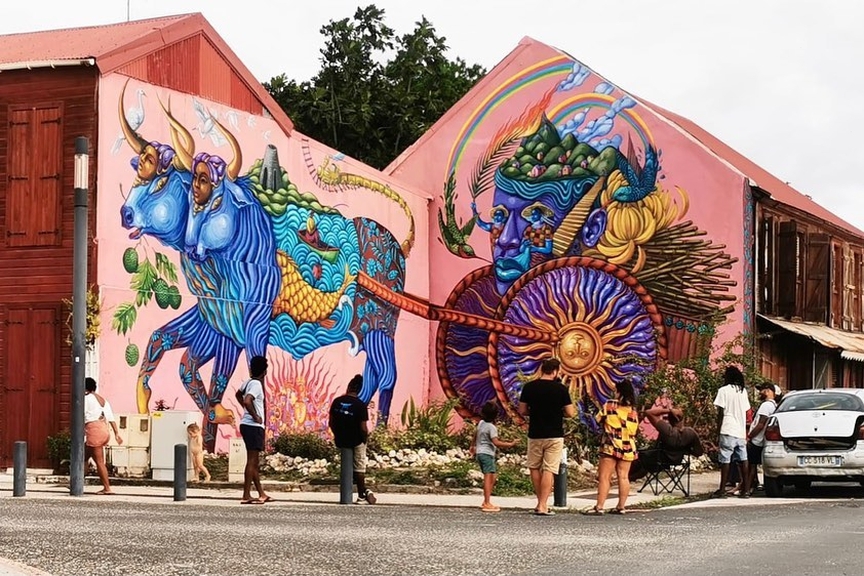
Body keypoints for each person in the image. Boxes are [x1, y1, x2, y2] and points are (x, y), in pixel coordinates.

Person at [518, 358, 575, 516]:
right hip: (554, 434)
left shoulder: (529, 387)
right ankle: (543, 505)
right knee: (549, 469)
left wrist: (535, 412)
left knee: (534, 467)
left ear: (542, 370)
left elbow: (522, 410)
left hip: (535, 433)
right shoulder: (561, 389)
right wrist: (559, 412)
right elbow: (570, 412)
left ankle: (540, 503)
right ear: (556, 371)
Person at [584, 379, 640, 515]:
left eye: (615, 391)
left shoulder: (609, 405)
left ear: (619, 392)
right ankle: (621, 506)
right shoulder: (632, 411)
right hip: (628, 446)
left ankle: (600, 506)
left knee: (604, 477)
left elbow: (597, 420)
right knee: (624, 477)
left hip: (610, 444)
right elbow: (634, 430)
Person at [329, 374, 376, 505]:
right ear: (360, 390)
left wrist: (337, 435)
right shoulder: (360, 405)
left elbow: (331, 422)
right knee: (359, 467)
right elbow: (363, 428)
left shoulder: (337, 402)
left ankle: (363, 492)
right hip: (356, 440)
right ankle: (362, 494)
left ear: (349, 386)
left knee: (347, 467)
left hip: (341, 439)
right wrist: (365, 440)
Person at [629, 405, 704, 482]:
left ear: (669, 420)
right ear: (683, 419)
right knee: (645, 461)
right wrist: (686, 449)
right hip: (676, 461)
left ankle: (626, 478)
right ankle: (628, 478)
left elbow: (648, 412)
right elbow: (699, 452)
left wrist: (669, 410)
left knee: (640, 457)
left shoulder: (667, 429)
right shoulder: (691, 433)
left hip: (659, 460)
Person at [469, 401, 519, 512]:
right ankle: (487, 502)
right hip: (487, 454)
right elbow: (496, 442)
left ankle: (487, 500)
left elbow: (475, 434)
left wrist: (472, 445)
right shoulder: (491, 428)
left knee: (493, 475)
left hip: (480, 453)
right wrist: (510, 444)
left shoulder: (481, 423)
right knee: (488, 477)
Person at [237, 355, 272, 504]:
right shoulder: (256, 385)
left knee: (254, 461)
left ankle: (261, 493)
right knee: (252, 461)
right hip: (253, 426)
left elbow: (239, 395)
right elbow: (247, 399)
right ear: (264, 371)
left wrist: (245, 409)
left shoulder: (247, 382)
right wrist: (255, 415)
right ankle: (246, 495)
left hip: (247, 425)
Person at [713, 366, 751, 498]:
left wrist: (718, 430)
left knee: (725, 459)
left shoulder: (723, 391)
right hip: (740, 430)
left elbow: (721, 412)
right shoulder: (743, 391)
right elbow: (746, 410)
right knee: (743, 459)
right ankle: (746, 490)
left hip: (728, 428)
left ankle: (722, 489)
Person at [84, 377, 122, 495]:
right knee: (83, 457)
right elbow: (111, 418)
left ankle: (107, 488)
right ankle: (76, 482)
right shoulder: (103, 400)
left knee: (99, 461)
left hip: (94, 431)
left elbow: (81, 414)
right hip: (103, 430)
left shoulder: (86, 399)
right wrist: (116, 434)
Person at [746, 382, 780, 495]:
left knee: (751, 465)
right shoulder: (773, 405)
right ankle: (752, 485)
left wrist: (750, 436)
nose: (760, 392)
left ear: (768, 391)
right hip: (761, 439)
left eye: (761, 390)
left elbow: (761, 424)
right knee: (753, 465)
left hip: (757, 440)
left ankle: (747, 488)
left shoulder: (766, 405)